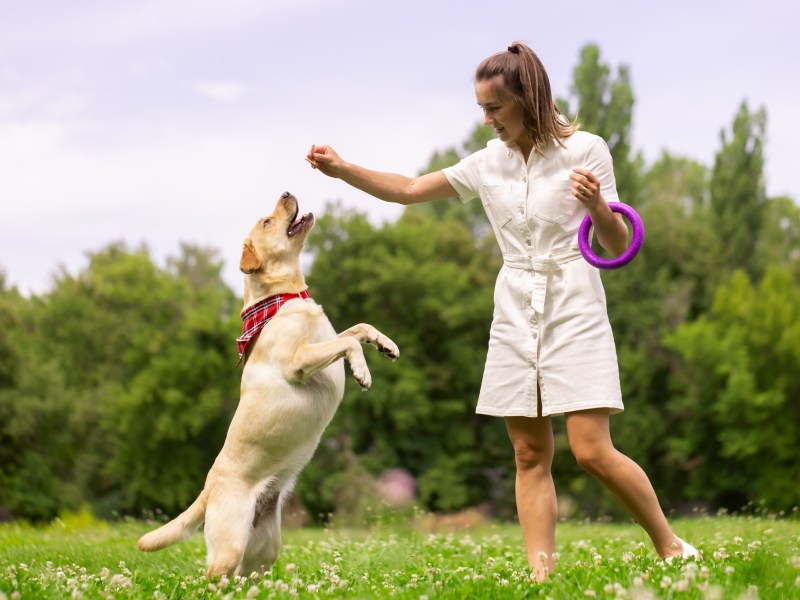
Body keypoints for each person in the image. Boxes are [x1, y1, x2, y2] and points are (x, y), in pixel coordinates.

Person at [307, 41, 699, 581]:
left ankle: (670, 545)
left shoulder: (587, 150)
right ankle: (541, 576)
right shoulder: (486, 163)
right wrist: (343, 169)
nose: (487, 120)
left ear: (527, 99)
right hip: (515, 304)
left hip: (574, 300)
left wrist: (594, 207)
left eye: (495, 108)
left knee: (590, 451)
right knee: (527, 454)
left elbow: (612, 244)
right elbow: (408, 190)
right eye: (481, 109)